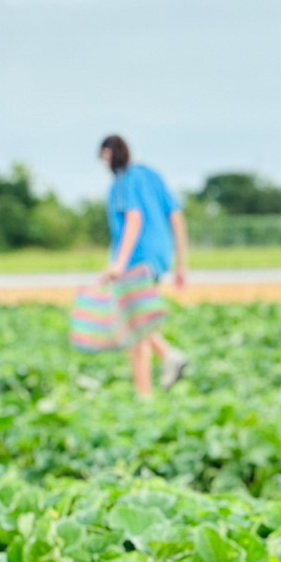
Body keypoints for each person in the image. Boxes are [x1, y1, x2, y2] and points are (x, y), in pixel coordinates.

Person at [99, 134, 189, 398]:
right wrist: (181, 265)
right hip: (160, 258)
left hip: (136, 259)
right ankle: (167, 360)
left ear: (109, 155)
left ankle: (147, 392)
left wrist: (119, 264)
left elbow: (134, 220)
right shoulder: (152, 175)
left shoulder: (124, 182)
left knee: (134, 329)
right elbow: (176, 218)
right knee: (137, 321)